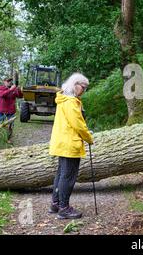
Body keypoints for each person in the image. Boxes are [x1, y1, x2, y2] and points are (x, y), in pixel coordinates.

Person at [48, 73, 94, 219]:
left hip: (62, 142)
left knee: (61, 174)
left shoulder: (64, 99)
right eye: (83, 87)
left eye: (86, 88)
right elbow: (78, 125)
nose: (84, 91)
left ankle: (55, 204)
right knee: (67, 177)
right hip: (70, 144)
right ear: (75, 85)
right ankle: (64, 208)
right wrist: (89, 138)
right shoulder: (71, 101)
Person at [0, 77, 23, 143]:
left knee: (11, 126)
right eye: (8, 81)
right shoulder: (1, 88)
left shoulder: (14, 89)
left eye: (10, 81)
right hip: (2, 111)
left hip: (11, 111)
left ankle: (8, 139)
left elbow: (20, 96)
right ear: (4, 82)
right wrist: (11, 89)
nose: (9, 82)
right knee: (0, 125)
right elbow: (2, 95)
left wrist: (19, 90)